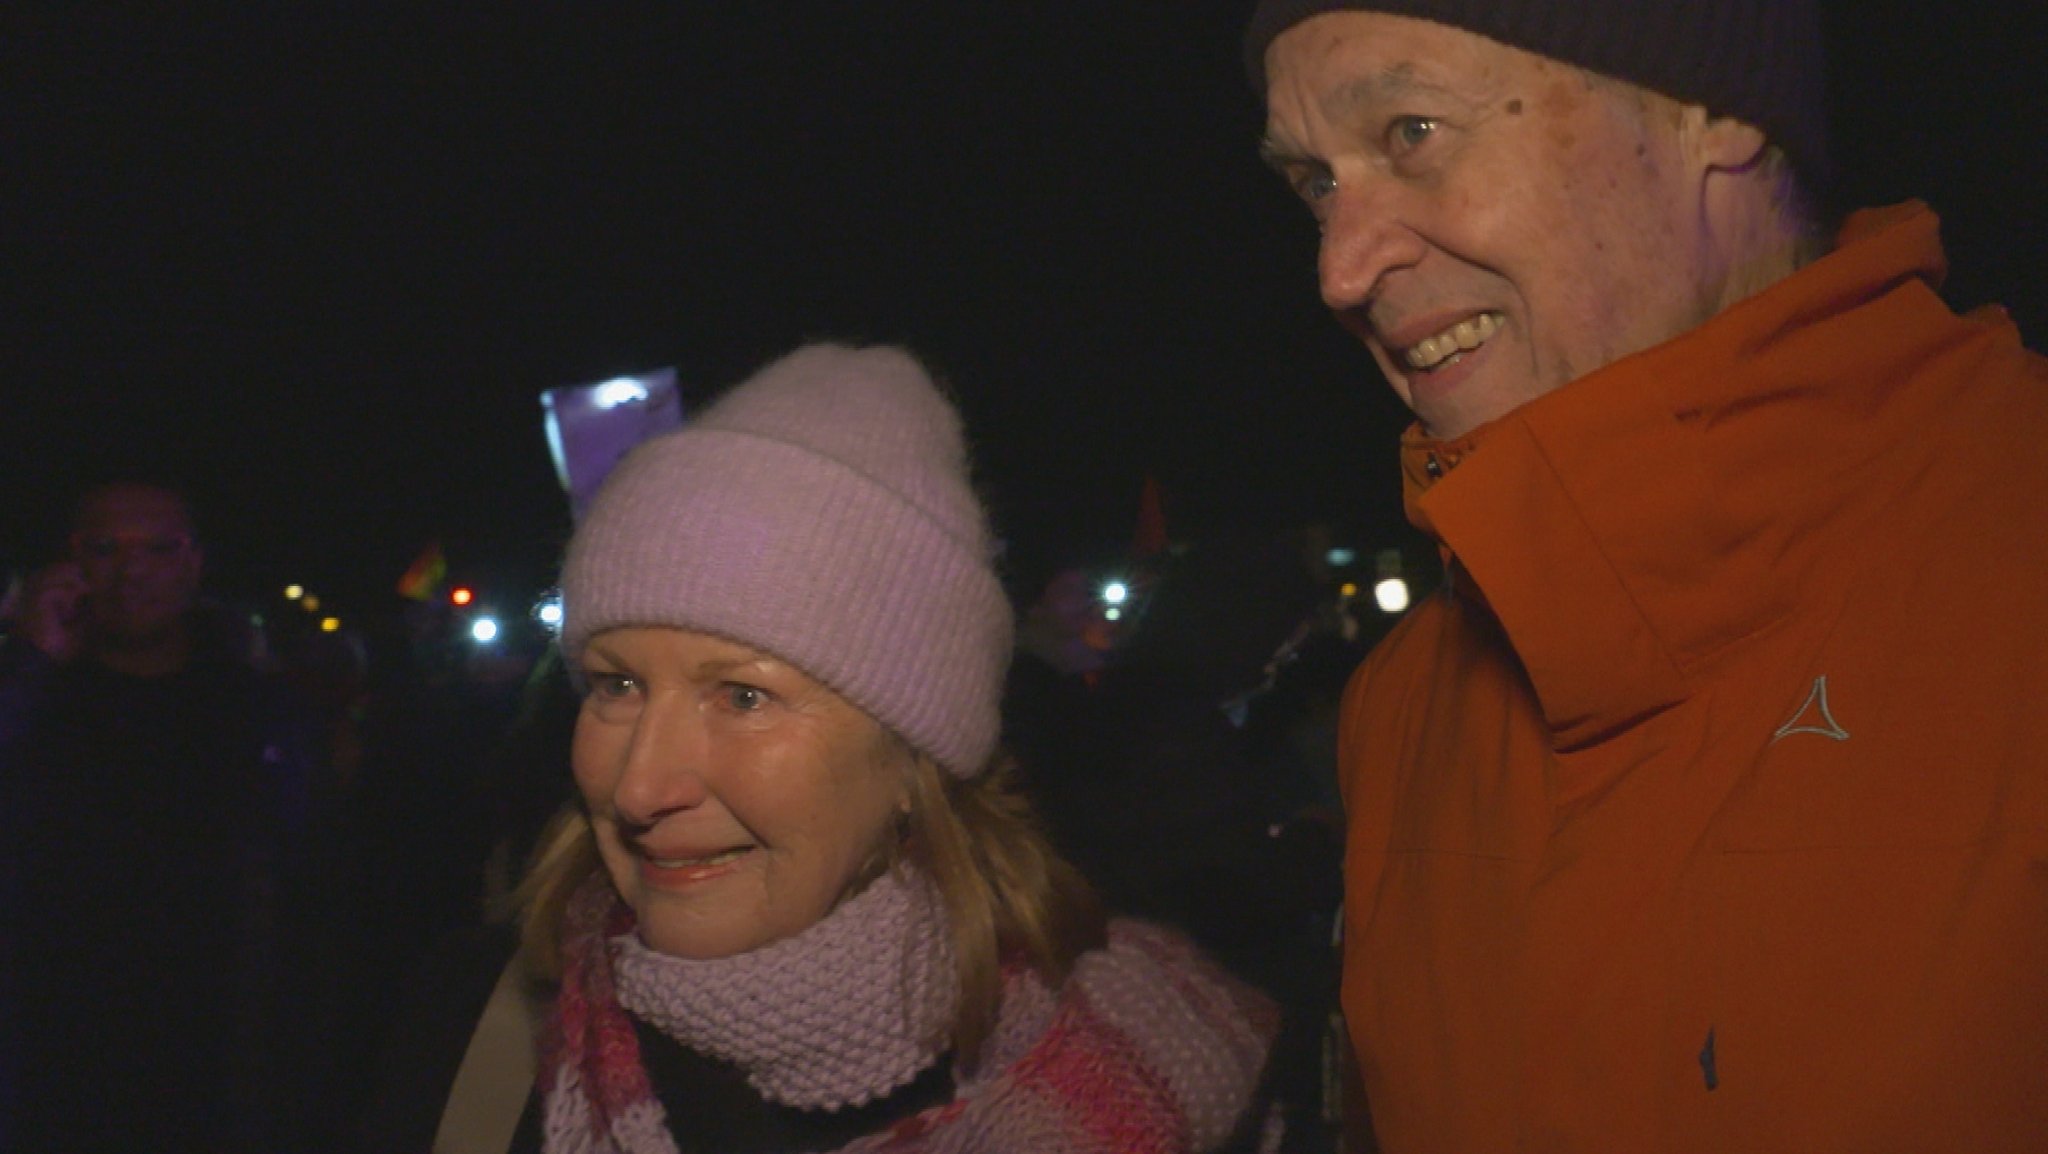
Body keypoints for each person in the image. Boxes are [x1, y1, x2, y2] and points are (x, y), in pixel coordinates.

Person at [1243, 1, 2048, 1151]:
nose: (1339, 265)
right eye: (1315, 184)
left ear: (1711, 112)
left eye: (1412, 131)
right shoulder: (1401, 708)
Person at [361, 343, 1278, 1153]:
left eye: (744, 695)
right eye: (617, 685)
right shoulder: (477, 1030)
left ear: (914, 763)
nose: (639, 786)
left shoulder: (1166, 1075)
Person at [0, 480, 324, 1152]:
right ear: (72, 562)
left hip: (217, 1068)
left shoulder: (256, 710)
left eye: (160, 547)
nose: (134, 570)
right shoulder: (35, 697)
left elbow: (312, 886)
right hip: (48, 1062)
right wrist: (31, 663)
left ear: (194, 563)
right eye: (106, 548)